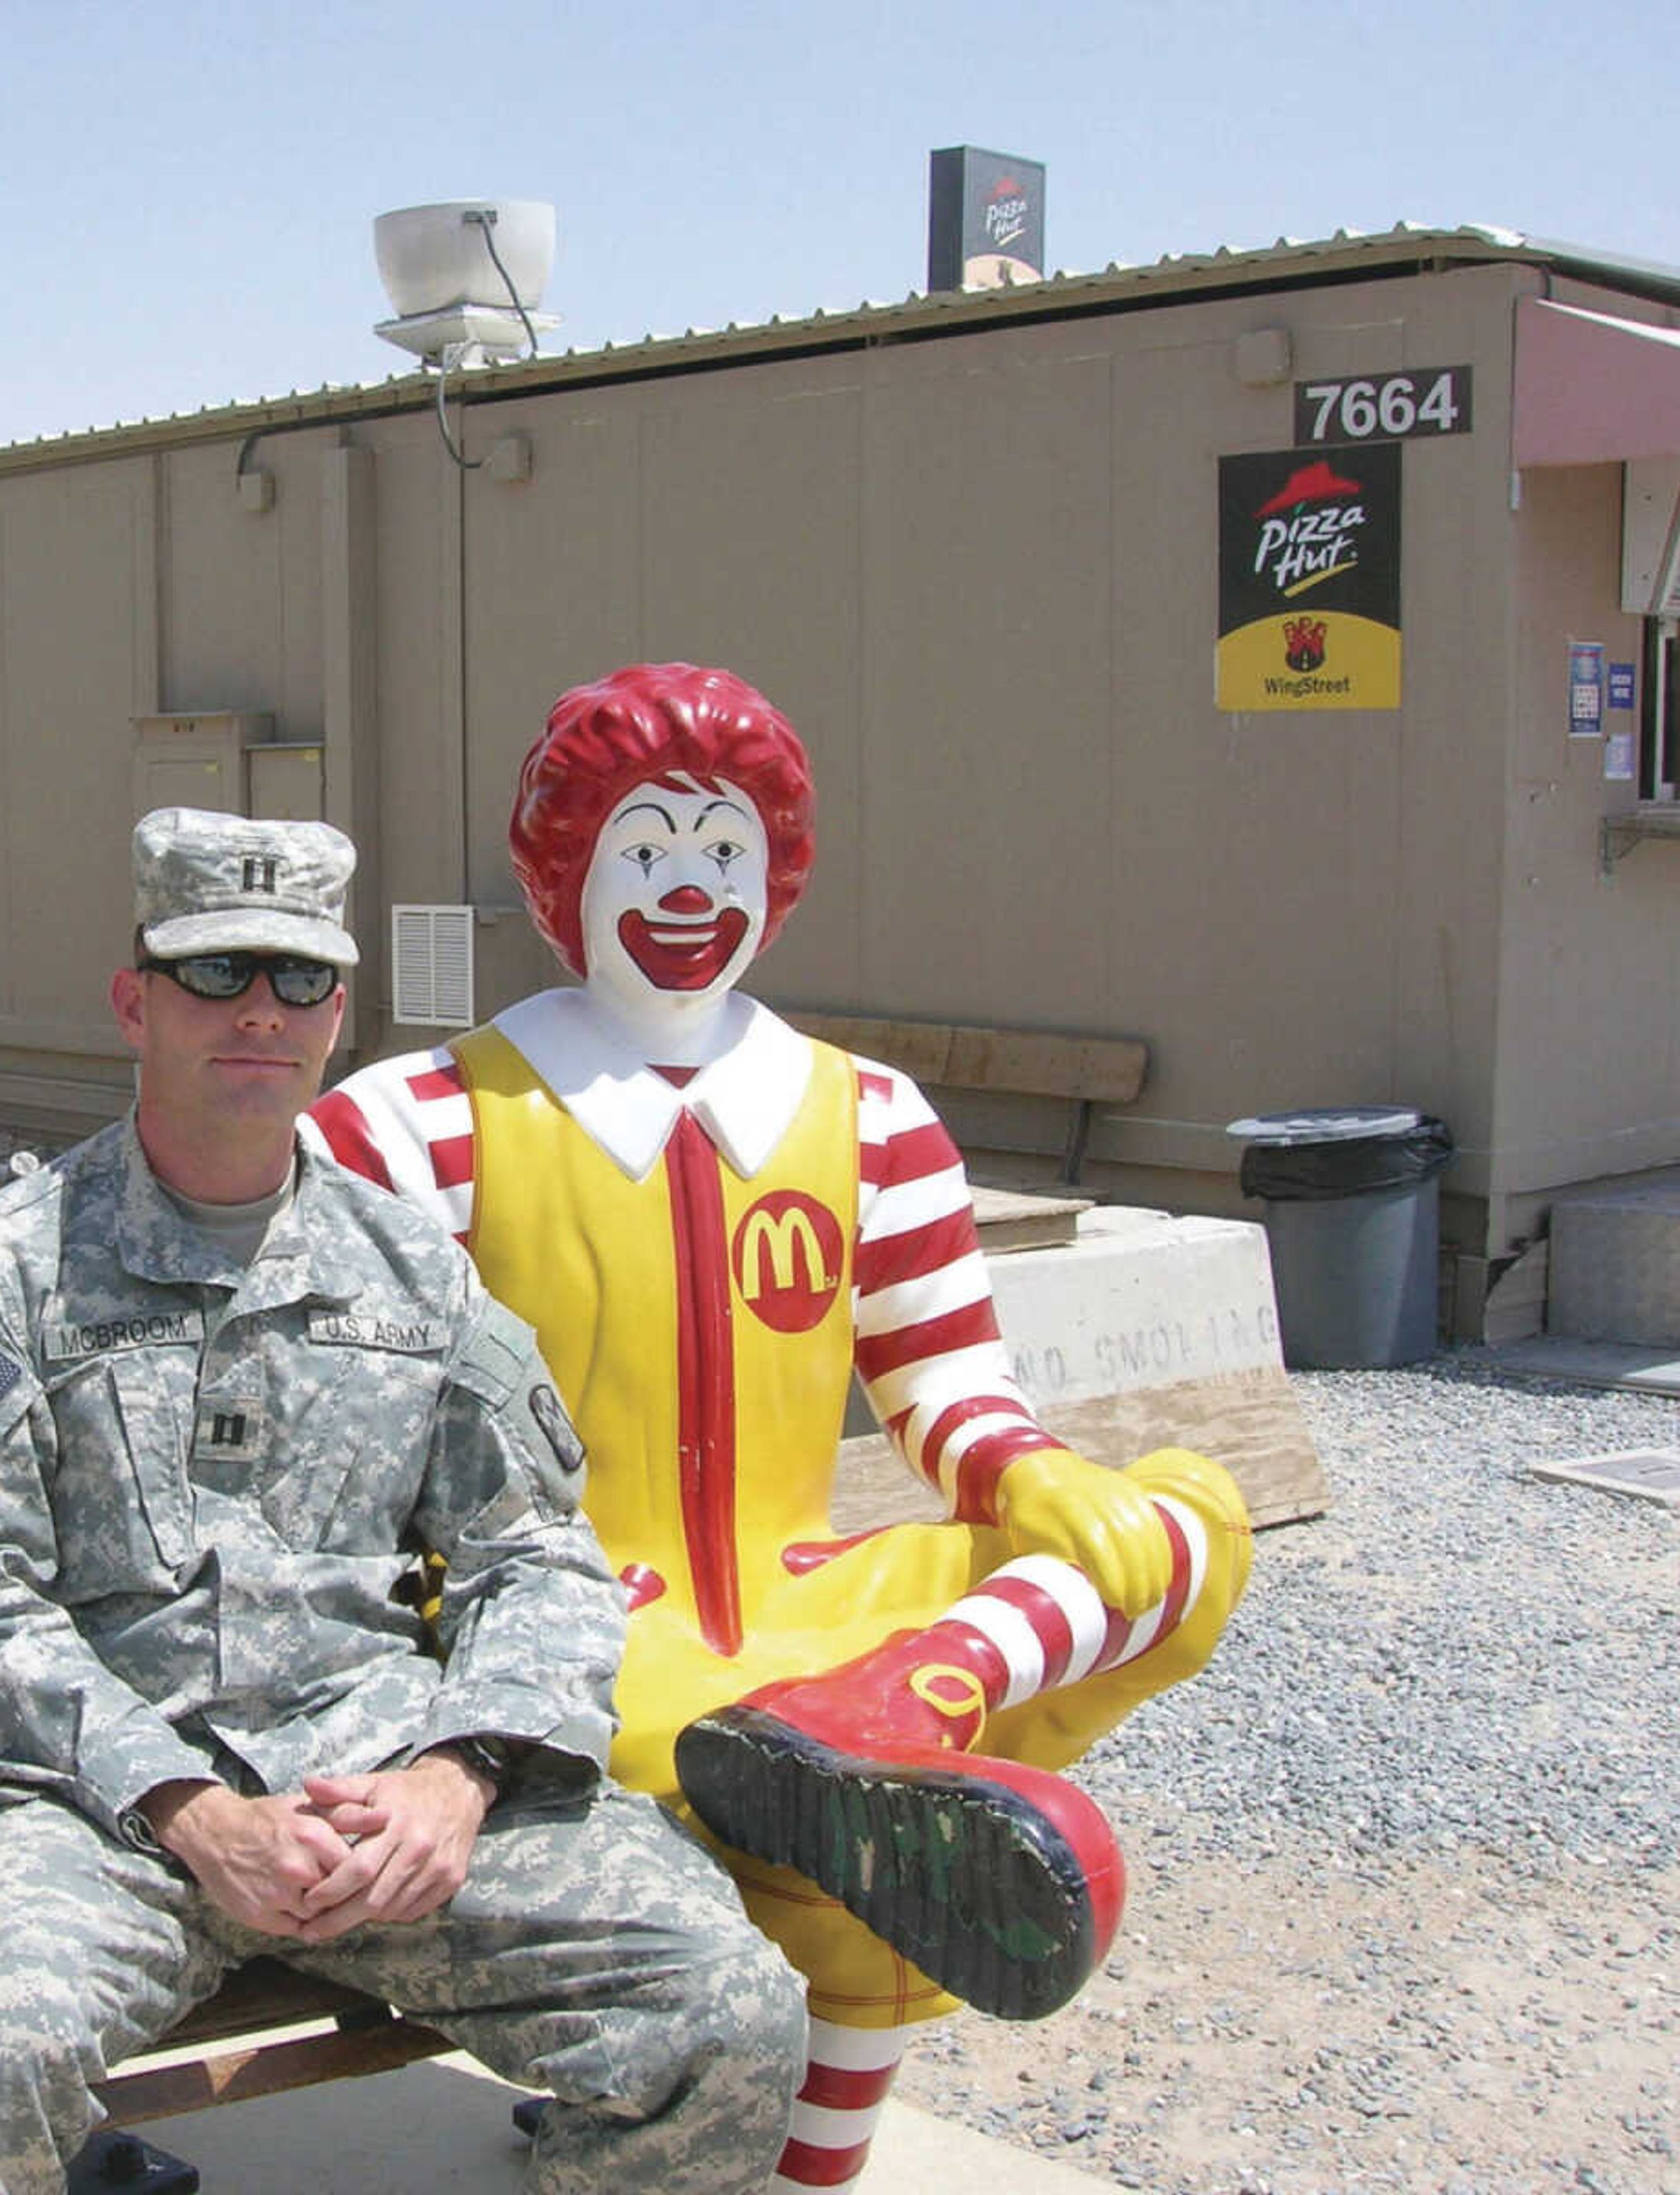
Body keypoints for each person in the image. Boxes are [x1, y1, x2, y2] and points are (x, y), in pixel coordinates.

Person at [303, 662, 1253, 2188]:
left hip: (812, 1613)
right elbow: (169, 1248)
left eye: (726, 849)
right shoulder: (427, 1119)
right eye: (649, 847)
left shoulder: (870, 1116)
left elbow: (950, 1394)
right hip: (573, 1641)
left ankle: (907, 1697)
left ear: (782, 878)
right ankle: (847, 1834)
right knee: (838, 1854)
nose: (693, 888)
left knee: (1189, 1511)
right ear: (566, 871)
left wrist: (1034, 1469)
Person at [0, 809, 807, 2194]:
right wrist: (190, 1807)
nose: (261, 1011)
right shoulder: (2, 1273)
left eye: (301, 978)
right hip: (105, 1818)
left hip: (382, 1804)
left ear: (339, 1016)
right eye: (216, 973)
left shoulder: (414, 1273)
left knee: (726, 2008)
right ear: (134, 1003)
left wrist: (460, 1772)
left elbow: (536, 1555)